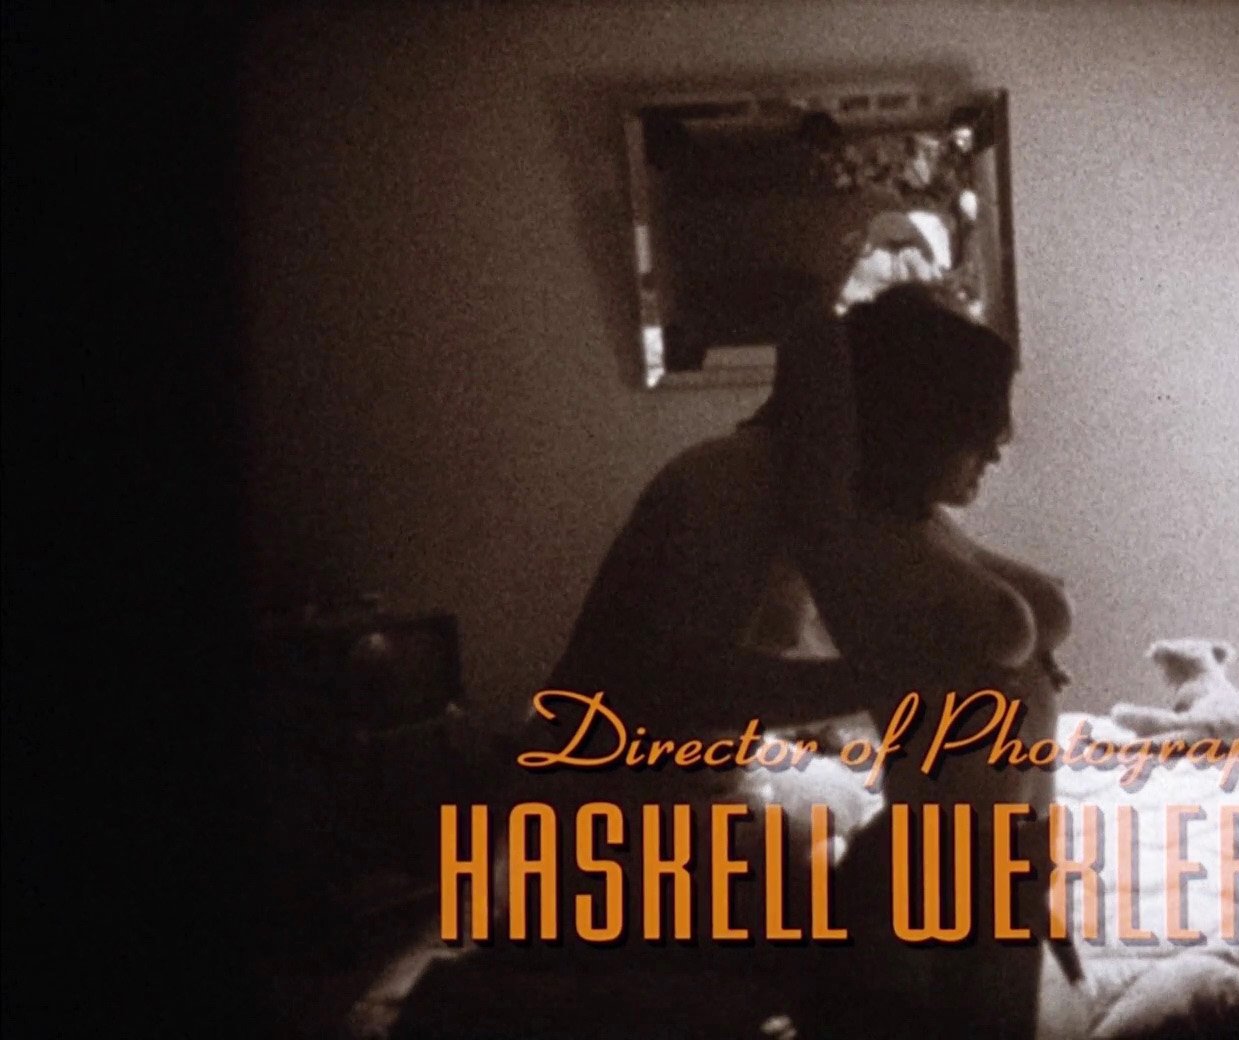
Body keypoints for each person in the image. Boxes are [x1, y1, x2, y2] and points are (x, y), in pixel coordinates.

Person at [347, 227, 1070, 1040]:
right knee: (897, 916)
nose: (997, 449)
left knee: (921, 863)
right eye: (978, 425)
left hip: (692, 798)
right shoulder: (734, 485)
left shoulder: (828, 497)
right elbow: (677, 686)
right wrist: (886, 679)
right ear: (918, 421)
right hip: (609, 828)